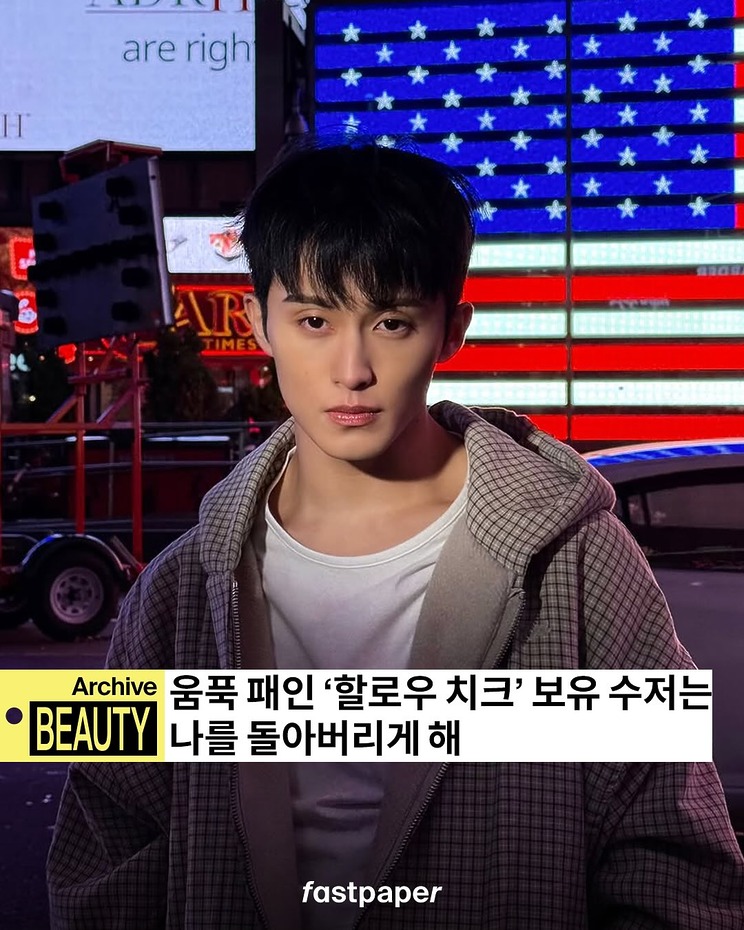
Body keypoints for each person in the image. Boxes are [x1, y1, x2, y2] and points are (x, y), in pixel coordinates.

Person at [47, 139, 744, 929]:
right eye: (314, 319)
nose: (353, 369)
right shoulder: (179, 589)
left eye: (392, 321)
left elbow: (672, 863)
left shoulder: (578, 562)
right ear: (258, 323)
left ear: (452, 329)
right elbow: (105, 863)